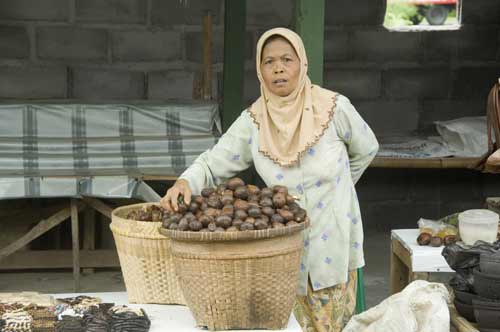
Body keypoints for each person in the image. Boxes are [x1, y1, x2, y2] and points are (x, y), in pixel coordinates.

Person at [161, 27, 379, 332]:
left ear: (302, 64)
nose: (278, 68)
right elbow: (213, 163)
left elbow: (367, 149)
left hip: (333, 237)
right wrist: (185, 182)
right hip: (280, 250)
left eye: (287, 59)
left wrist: (341, 189)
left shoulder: (334, 108)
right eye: (269, 61)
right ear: (260, 71)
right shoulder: (254, 121)